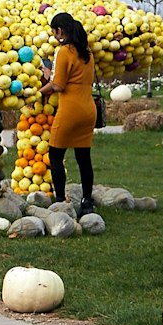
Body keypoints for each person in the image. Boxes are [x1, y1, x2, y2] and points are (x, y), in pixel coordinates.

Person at [45, 12, 97, 213]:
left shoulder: (63, 51)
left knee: (55, 155)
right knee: (84, 158)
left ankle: (60, 201)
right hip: (88, 110)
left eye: (54, 31)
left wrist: (46, 81)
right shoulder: (87, 52)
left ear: (60, 30)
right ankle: (87, 202)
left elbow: (58, 85)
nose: (54, 35)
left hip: (70, 110)